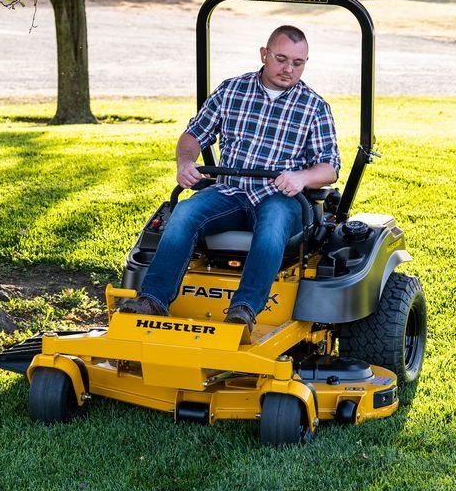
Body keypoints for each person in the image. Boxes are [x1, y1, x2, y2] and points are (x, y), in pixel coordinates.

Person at [119, 24, 340, 337]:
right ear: (264, 54)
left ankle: (244, 310)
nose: (288, 69)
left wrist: (302, 177)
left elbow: (330, 168)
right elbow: (193, 136)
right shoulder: (231, 90)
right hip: (230, 191)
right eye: (281, 59)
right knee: (184, 213)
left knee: (273, 224)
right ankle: (153, 300)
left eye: (297, 63)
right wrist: (185, 162)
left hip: (280, 196)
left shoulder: (314, 107)